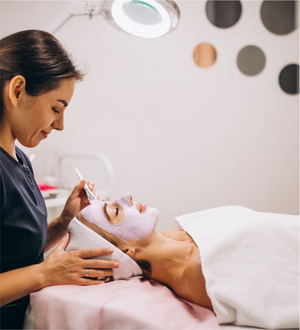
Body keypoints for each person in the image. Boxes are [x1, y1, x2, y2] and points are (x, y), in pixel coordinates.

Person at [0, 30, 119, 329]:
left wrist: (65, 221)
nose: (61, 124)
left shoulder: (19, 159)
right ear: (17, 91)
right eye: (56, 108)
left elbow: (14, 250)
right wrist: (46, 274)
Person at [73, 193, 299, 329]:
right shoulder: (199, 272)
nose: (126, 197)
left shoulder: (178, 234)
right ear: (127, 251)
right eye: (115, 210)